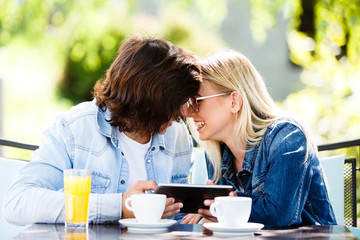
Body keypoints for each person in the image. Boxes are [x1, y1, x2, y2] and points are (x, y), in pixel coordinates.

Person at [2, 36, 201, 225]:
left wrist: (202, 213)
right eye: (172, 106)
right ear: (147, 103)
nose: (180, 114)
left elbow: (177, 220)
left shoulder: (176, 134)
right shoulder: (74, 128)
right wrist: (118, 206)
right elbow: (18, 202)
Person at [184, 49, 336, 227]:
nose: (190, 111)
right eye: (189, 102)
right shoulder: (216, 153)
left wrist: (224, 206)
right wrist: (213, 210)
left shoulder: (287, 136)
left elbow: (278, 215)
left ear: (234, 101)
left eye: (198, 100)